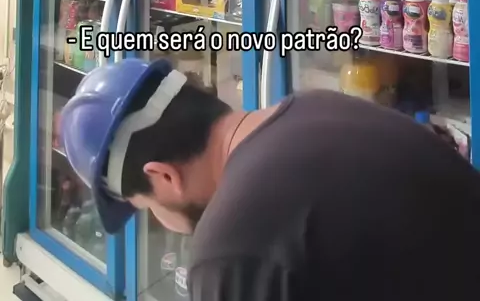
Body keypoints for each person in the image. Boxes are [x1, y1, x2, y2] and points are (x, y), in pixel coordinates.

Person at [61, 57, 480, 300]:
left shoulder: (232, 250)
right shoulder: (318, 106)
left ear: (164, 176)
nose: (158, 221)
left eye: (147, 207)